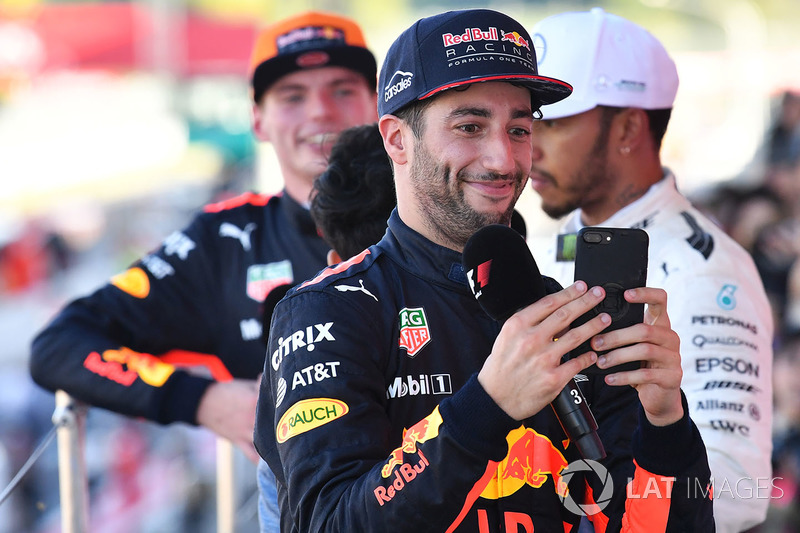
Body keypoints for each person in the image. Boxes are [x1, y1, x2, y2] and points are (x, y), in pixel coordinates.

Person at [254, 8, 714, 532]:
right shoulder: (327, 311)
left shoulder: (562, 312)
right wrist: (486, 407)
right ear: (397, 139)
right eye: (470, 126)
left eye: (519, 129)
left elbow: (647, 524)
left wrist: (665, 422)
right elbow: (328, 523)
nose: (502, 159)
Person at [28, 10, 378, 531]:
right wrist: (208, 400)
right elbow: (59, 346)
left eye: (343, 89)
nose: (321, 112)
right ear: (258, 119)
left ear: (380, 105)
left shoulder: (431, 215)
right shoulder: (224, 243)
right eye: (292, 96)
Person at [527, 8, 773, 532]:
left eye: (554, 123)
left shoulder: (706, 272)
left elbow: (741, 490)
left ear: (629, 128)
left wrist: (580, 509)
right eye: (528, 122)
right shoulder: (543, 248)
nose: (530, 146)